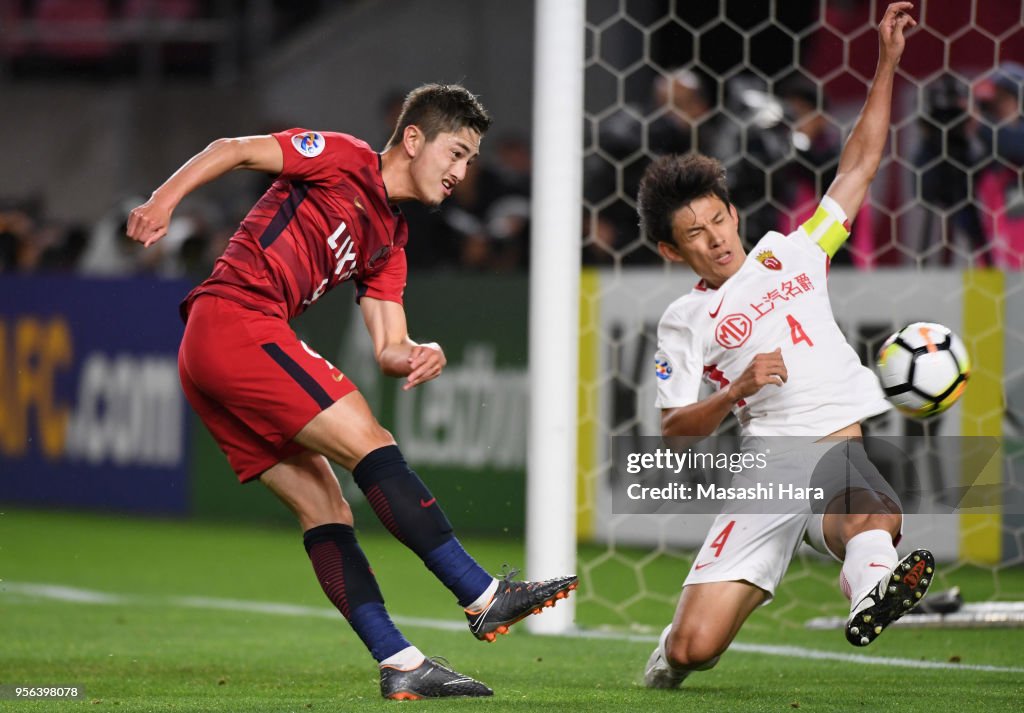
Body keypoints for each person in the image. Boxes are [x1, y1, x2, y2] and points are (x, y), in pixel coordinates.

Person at [126, 83, 577, 700]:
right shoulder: (342, 157)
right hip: (236, 320)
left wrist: (418, 351)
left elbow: (388, 347)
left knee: (327, 509)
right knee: (371, 441)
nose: (462, 171)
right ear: (413, 139)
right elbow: (232, 148)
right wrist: (164, 200)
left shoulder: (391, 242)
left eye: (471, 160)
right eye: (457, 152)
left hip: (212, 350)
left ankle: (400, 663)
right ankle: (482, 595)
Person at [636, 4, 932, 689]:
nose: (715, 238)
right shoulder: (686, 319)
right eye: (695, 235)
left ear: (733, 212)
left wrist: (885, 64)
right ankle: (672, 647)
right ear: (671, 250)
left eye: (718, 219)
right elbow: (673, 427)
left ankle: (871, 595)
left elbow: (858, 165)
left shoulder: (794, 253)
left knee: (876, 513)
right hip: (768, 465)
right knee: (694, 648)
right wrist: (736, 390)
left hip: (836, 444)